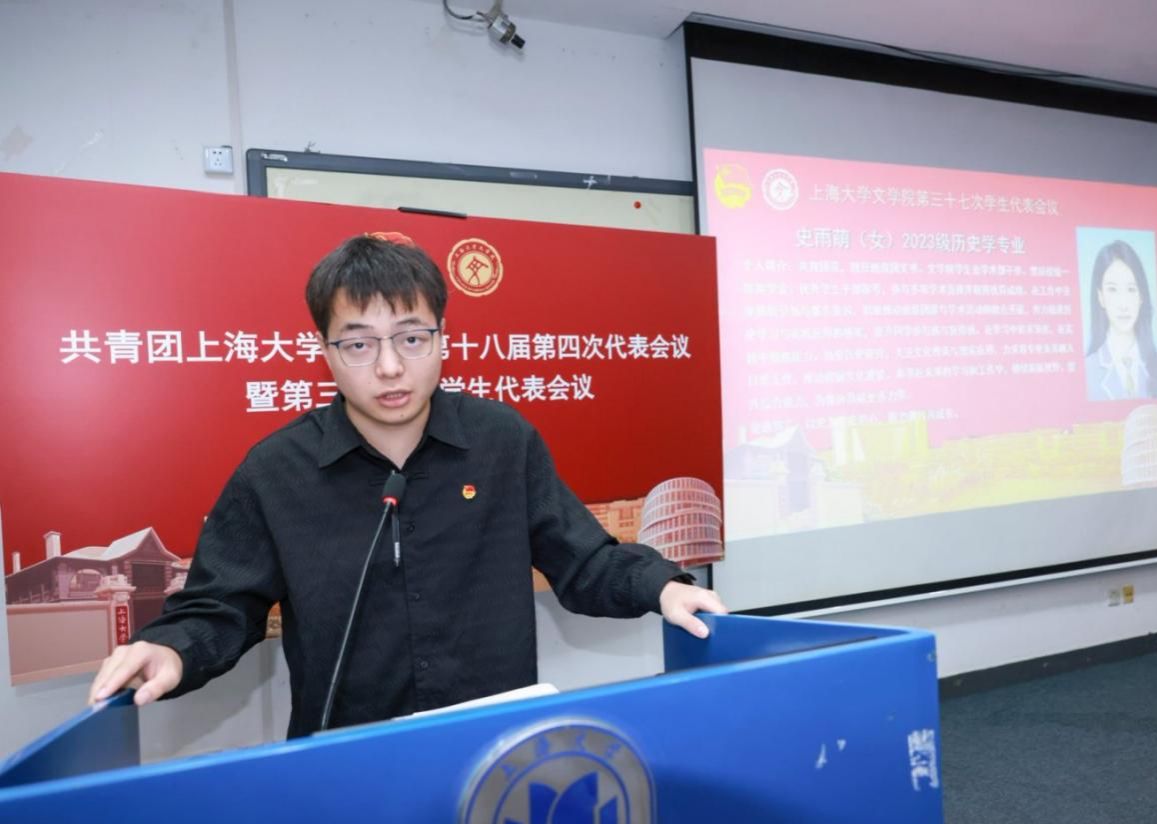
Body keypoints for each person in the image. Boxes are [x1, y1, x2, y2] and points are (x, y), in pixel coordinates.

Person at [89, 232, 727, 737]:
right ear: (326, 350)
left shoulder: (501, 441)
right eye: (359, 345)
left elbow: (584, 560)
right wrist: (171, 649)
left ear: (442, 338)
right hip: (349, 760)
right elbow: (221, 605)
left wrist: (662, 586)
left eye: (412, 338)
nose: (391, 367)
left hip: (493, 745)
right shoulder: (277, 470)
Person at [1084, 239, 1157, 401]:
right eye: (1112, 289)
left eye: (1131, 289)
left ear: (1141, 296)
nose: (1123, 304)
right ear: (1100, 297)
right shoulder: (1087, 370)